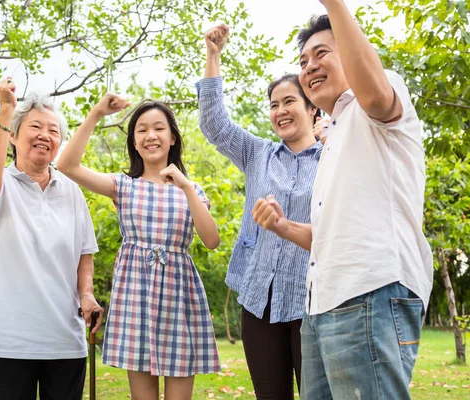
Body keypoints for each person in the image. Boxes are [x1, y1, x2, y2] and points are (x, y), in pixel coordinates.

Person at [252, 3, 433, 399]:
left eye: (322, 54)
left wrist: (333, 5)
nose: (310, 66)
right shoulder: (333, 138)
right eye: (303, 60)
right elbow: (328, 237)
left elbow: (372, 90)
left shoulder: (380, 98)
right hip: (321, 304)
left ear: (350, 54)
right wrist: (283, 226)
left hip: (370, 290)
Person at [56, 96, 221, 400]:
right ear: (134, 141)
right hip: (136, 298)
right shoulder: (123, 186)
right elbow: (67, 165)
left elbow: (211, 240)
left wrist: (185, 186)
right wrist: (96, 114)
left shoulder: (192, 189)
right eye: (141, 130)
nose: (151, 136)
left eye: (159, 128)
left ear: (172, 138)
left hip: (179, 299)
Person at [198, 24, 323, 399]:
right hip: (259, 303)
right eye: (274, 104)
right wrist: (213, 55)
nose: (280, 110)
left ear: (312, 108)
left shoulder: (334, 157)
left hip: (313, 304)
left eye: (289, 102)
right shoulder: (258, 154)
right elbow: (214, 125)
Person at [0, 77, 103, 400]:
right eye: (35, 127)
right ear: (13, 136)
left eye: (54, 131)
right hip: (2, 344)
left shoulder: (72, 191)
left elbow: (84, 251)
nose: (45, 135)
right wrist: (6, 109)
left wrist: (86, 294)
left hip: (64, 343)